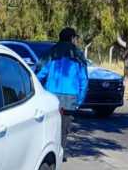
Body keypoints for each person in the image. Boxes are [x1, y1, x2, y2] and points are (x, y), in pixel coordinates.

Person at [36, 27, 89, 158]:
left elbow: (40, 74)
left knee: (49, 126)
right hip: (71, 97)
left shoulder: (51, 52)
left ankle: (47, 153)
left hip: (51, 95)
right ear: (72, 38)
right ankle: (60, 152)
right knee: (64, 128)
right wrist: (80, 100)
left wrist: (38, 91)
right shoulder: (78, 55)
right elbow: (84, 80)